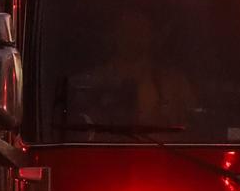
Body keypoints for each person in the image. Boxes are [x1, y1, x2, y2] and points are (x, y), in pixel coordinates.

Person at [69, 8, 198, 129]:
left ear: (151, 35)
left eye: (140, 29)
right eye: (126, 30)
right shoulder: (90, 82)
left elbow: (193, 128)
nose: (132, 36)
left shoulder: (175, 83)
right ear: (113, 34)